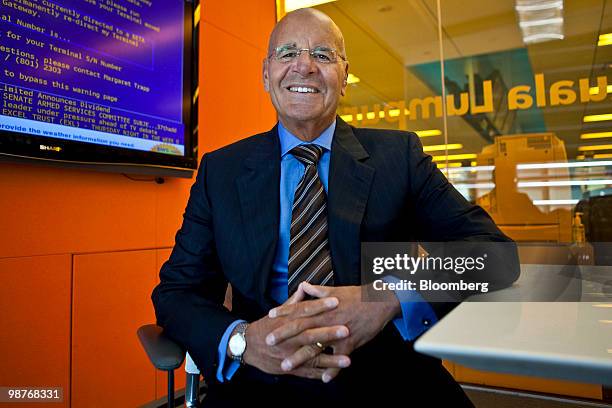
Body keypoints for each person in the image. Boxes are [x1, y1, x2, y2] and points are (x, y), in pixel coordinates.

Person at [152, 8, 517, 407]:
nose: (304, 66)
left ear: (344, 77)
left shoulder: (399, 157)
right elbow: (177, 291)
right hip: (260, 377)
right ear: (265, 74)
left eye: (323, 55)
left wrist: (388, 296)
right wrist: (242, 341)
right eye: (288, 53)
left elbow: (494, 254)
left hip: (386, 375)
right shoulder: (220, 171)